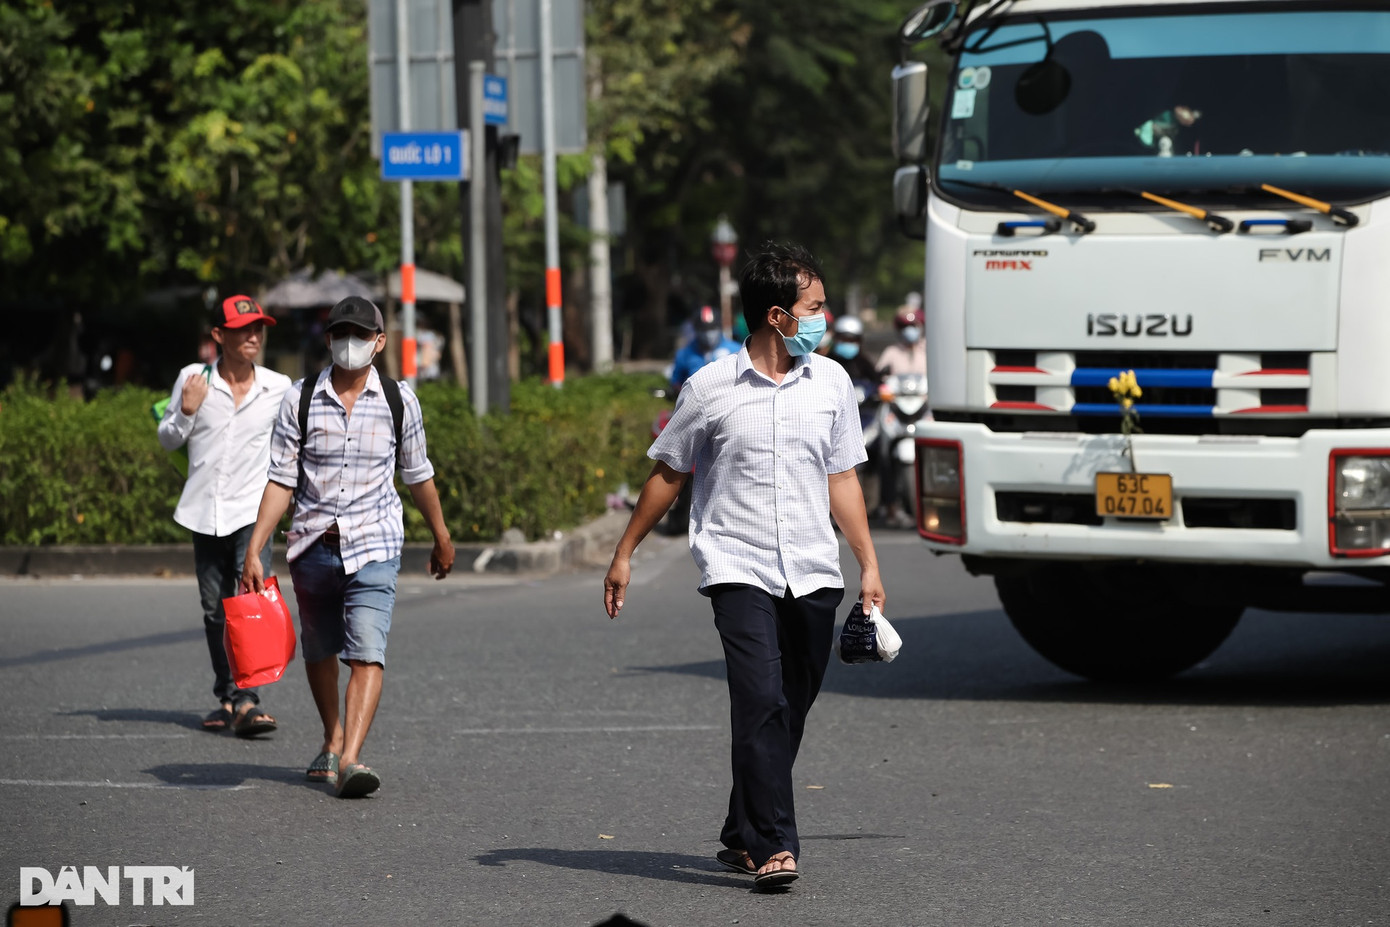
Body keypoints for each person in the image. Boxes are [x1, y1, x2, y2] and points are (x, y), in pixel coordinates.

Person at [603, 241, 886, 890]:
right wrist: (624, 552)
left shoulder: (833, 384)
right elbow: (669, 472)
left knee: (790, 707)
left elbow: (843, 477)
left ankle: (740, 828)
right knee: (760, 699)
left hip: (813, 568)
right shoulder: (711, 388)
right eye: (814, 307)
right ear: (778, 317)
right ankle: (773, 844)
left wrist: (868, 565)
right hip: (737, 565)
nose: (824, 317)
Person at [242, 295, 455, 798]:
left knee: (367, 651)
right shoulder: (299, 398)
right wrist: (255, 546)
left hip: (375, 543)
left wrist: (441, 535)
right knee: (320, 649)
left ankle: (351, 758)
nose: (349, 342)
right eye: (341, 333)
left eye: (360, 334)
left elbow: (417, 474)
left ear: (379, 342)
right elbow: (280, 479)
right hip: (312, 545)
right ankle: (332, 735)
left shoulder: (400, 400)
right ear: (328, 338)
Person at [157, 295, 292, 737]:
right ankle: (228, 697)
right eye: (242, 329)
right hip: (204, 511)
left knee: (251, 602)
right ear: (219, 335)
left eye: (258, 328)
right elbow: (167, 439)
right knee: (215, 611)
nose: (253, 336)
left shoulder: (278, 387)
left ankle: (248, 700)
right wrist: (186, 410)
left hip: (252, 512)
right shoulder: (192, 379)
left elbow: (293, 447)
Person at [670, 305, 741, 393]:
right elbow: (676, 383)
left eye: (712, 328)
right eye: (703, 329)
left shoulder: (736, 350)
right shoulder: (684, 354)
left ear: (720, 327)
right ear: (696, 329)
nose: (708, 333)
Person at [876, 304, 928, 378]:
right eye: (904, 326)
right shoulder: (891, 351)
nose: (909, 329)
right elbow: (879, 373)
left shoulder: (928, 349)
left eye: (913, 325)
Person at [828, 315, 879, 384]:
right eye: (844, 340)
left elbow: (876, 381)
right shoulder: (828, 362)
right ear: (836, 339)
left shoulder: (864, 363)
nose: (848, 344)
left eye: (852, 340)